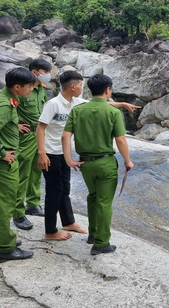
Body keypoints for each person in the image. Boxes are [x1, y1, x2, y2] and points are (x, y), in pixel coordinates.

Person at [37, 70, 141, 241]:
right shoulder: (53, 104)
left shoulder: (77, 104)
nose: (81, 88)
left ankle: (69, 222)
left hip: (67, 155)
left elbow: (100, 104)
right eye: (79, 85)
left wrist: (122, 104)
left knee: (67, 190)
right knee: (55, 192)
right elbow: (40, 129)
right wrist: (41, 153)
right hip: (51, 153)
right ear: (72, 86)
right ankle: (52, 231)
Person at [62, 74, 134, 255]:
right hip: (105, 163)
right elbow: (121, 140)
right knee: (104, 202)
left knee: (93, 196)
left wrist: (69, 159)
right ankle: (102, 243)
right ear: (108, 90)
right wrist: (127, 161)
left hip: (85, 163)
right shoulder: (113, 112)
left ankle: (92, 234)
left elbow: (65, 136)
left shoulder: (78, 110)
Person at [0, 67, 36, 262]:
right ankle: (6, 248)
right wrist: (2, 152)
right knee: (4, 204)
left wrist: (10, 125)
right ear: (17, 87)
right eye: (29, 87)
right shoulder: (5, 105)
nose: (31, 90)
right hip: (0, 163)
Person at [13, 58, 52, 230]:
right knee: (22, 174)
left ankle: (33, 203)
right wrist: (15, 124)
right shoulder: (21, 88)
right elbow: (8, 108)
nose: (48, 76)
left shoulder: (41, 89)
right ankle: (17, 213)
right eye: (45, 73)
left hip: (40, 134)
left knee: (37, 169)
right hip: (26, 137)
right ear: (35, 72)